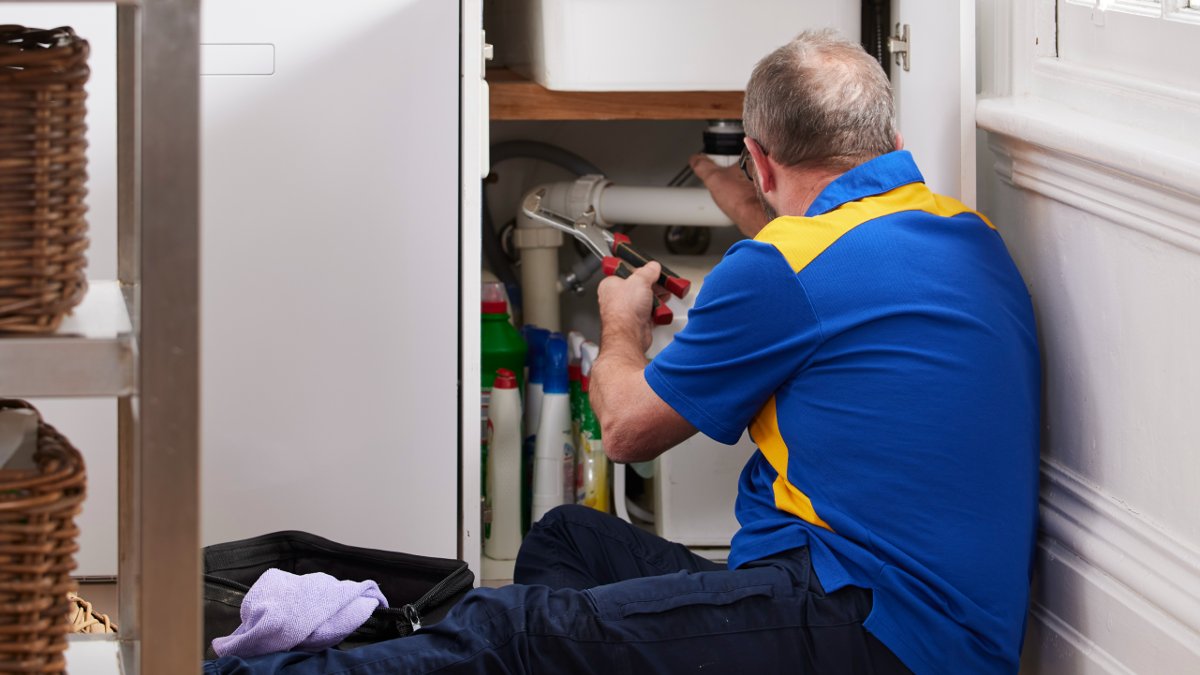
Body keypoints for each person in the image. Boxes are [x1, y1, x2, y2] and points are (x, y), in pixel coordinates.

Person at [205, 29, 1038, 675]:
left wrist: (621, 326)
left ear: (759, 155)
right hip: (929, 617)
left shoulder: (784, 266)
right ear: (880, 133)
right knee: (569, 537)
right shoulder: (964, 232)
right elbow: (828, 270)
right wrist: (752, 211)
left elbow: (628, 426)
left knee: (518, 623)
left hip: (868, 627)